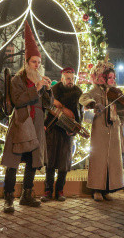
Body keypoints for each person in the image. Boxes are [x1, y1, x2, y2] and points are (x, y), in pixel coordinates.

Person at [2, 22, 52, 212]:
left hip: (37, 125)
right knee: (13, 162)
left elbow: (46, 104)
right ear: (26, 62)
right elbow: (18, 100)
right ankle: (8, 197)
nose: (37, 65)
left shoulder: (40, 79)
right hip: (22, 124)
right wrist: (37, 88)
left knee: (32, 161)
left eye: (39, 63)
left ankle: (27, 194)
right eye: (34, 62)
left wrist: (47, 91)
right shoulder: (17, 79)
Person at [79, 59, 124, 201]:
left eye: (113, 77)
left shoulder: (115, 92)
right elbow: (83, 97)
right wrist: (92, 103)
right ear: (102, 77)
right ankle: (96, 189)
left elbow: (123, 110)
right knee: (99, 159)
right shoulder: (95, 91)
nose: (112, 80)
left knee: (112, 160)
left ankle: (107, 189)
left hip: (114, 128)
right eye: (109, 77)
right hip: (100, 130)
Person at [41, 67, 82, 202]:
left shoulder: (77, 93)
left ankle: (60, 190)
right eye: (68, 78)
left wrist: (62, 108)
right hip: (52, 130)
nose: (71, 81)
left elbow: (77, 114)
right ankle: (48, 191)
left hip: (67, 132)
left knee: (64, 163)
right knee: (50, 162)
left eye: (72, 78)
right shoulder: (54, 91)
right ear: (62, 79)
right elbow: (48, 107)